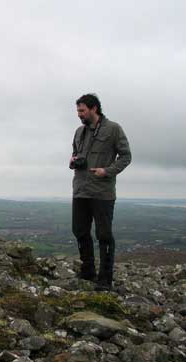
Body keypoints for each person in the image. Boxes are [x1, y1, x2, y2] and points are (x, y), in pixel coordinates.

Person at [69, 93, 131, 291]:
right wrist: (72, 161)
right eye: (78, 110)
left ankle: (105, 280)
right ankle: (88, 272)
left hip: (102, 192)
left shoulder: (113, 129)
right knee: (79, 231)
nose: (79, 114)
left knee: (104, 235)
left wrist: (107, 171)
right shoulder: (79, 132)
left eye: (82, 110)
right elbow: (74, 153)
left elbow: (126, 156)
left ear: (94, 108)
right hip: (80, 189)